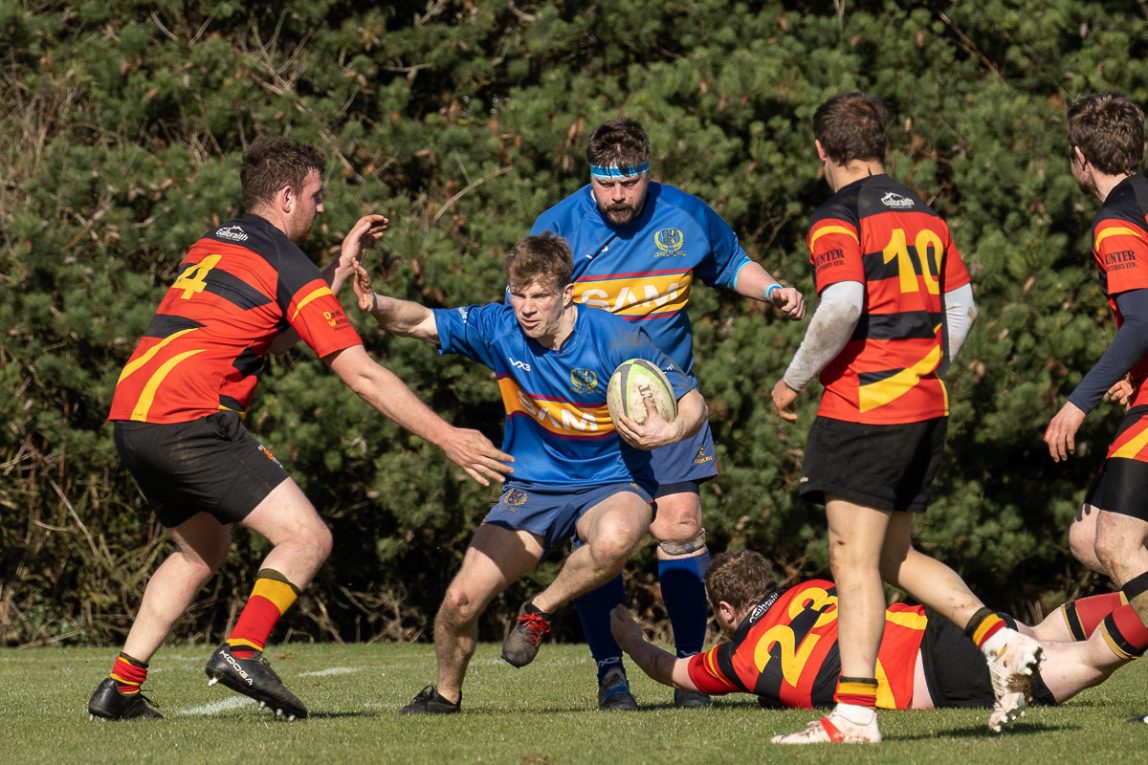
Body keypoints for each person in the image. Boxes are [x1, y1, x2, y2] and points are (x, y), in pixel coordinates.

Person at [86, 138, 513, 722]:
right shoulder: (286, 264)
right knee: (307, 538)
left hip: (133, 419)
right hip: (191, 421)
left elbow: (271, 330)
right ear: (287, 197)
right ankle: (242, 650)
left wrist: (335, 267)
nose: (321, 207)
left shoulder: (216, 244)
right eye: (317, 196)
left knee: (201, 549)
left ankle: (121, 687)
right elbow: (361, 374)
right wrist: (448, 436)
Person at [768, 92, 1042, 744]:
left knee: (850, 557)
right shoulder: (925, 216)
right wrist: (924, 365)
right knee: (893, 552)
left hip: (866, 407)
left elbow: (840, 304)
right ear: (881, 145)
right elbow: (964, 309)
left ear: (820, 150)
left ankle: (855, 713)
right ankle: (999, 637)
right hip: (924, 407)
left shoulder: (838, 214)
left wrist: (792, 378)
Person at [349, 232, 708, 714]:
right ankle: (445, 696)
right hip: (532, 487)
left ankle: (539, 610)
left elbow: (693, 401)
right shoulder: (500, 329)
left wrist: (670, 432)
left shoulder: (614, 337)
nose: (527, 308)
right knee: (459, 601)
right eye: (518, 295)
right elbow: (420, 321)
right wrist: (375, 304)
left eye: (540, 296)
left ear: (567, 293)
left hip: (611, 481)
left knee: (617, 537)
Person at [530, 117, 806, 710]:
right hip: (586, 413)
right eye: (608, 185)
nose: (620, 196)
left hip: (667, 402)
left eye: (631, 182)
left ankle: (689, 674)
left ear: (646, 174)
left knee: (679, 525)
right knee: (602, 540)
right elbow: (527, 306)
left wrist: (772, 289)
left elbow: (731, 262)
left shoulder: (683, 215)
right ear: (591, 178)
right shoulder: (557, 228)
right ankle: (611, 673)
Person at [610, 549, 1137, 713]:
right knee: (1045, 629)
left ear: (726, 610)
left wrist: (629, 638)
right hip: (940, 621)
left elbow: (669, 670)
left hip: (930, 672)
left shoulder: (737, 660)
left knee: (1091, 659)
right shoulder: (810, 587)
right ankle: (1135, 592)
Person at [1043, 92, 1148, 719]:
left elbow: (1140, 321)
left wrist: (1077, 403)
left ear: (1081, 158)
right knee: (1088, 536)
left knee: (1116, 544)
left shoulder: (1116, 221)